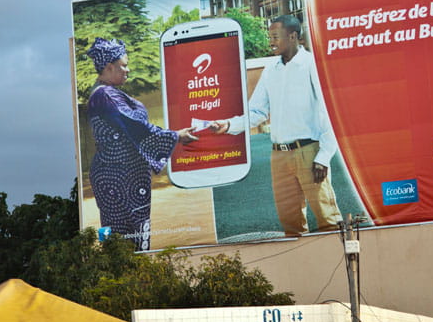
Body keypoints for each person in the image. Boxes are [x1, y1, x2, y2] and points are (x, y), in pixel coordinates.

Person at [213, 15, 342, 235]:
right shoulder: (270, 70)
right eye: (269, 36)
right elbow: (257, 111)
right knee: (290, 226)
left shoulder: (312, 65)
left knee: (328, 221)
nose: (270, 41)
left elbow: (331, 111)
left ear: (292, 36)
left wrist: (323, 156)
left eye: (275, 36)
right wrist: (228, 124)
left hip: (309, 153)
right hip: (279, 158)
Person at [86, 37, 198, 250]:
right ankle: (129, 275)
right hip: (119, 175)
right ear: (109, 67)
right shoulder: (106, 96)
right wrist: (175, 136)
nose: (128, 70)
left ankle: (118, 271)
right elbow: (136, 125)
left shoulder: (106, 93)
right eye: (124, 66)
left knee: (117, 231)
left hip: (119, 173)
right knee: (130, 232)